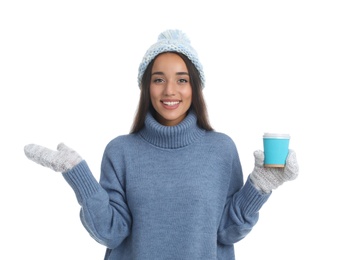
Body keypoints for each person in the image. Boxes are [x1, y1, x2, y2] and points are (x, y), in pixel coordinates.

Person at [24, 29, 299, 260]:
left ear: (195, 88)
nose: (170, 90)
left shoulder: (221, 150)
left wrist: (260, 186)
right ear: (146, 87)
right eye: (159, 80)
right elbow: (110, 233)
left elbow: (227, 231)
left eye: (182, 80)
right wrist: (79, 176)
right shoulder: (120, 152)